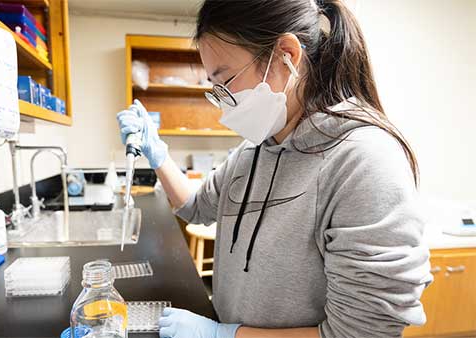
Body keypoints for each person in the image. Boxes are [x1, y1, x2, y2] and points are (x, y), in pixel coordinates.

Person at [117, 0, 432, 337]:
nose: (223, 102)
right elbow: (196, 207)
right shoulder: (254, 150)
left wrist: (224, 335)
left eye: (226, 80)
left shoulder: (364, 160)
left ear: (286, 54)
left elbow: (359, 333)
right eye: (216, 88)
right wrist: (159, 155)